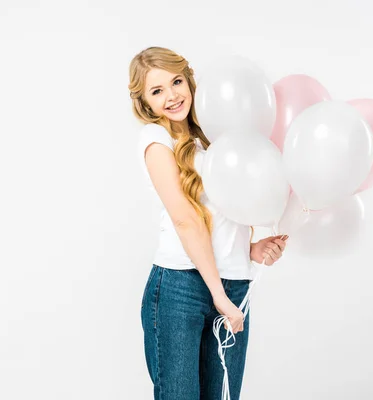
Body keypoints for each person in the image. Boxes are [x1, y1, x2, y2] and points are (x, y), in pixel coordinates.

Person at [128, 46, 288, 400]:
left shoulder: (215, 136)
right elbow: (186, 221)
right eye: (157, 91)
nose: (171, 96)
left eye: (176, 82)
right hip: (179, 287)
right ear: (146, 103)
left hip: (233, 283)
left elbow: (223, 214)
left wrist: (250, 250)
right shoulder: (157, 140)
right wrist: (218, 296)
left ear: (189, 80)